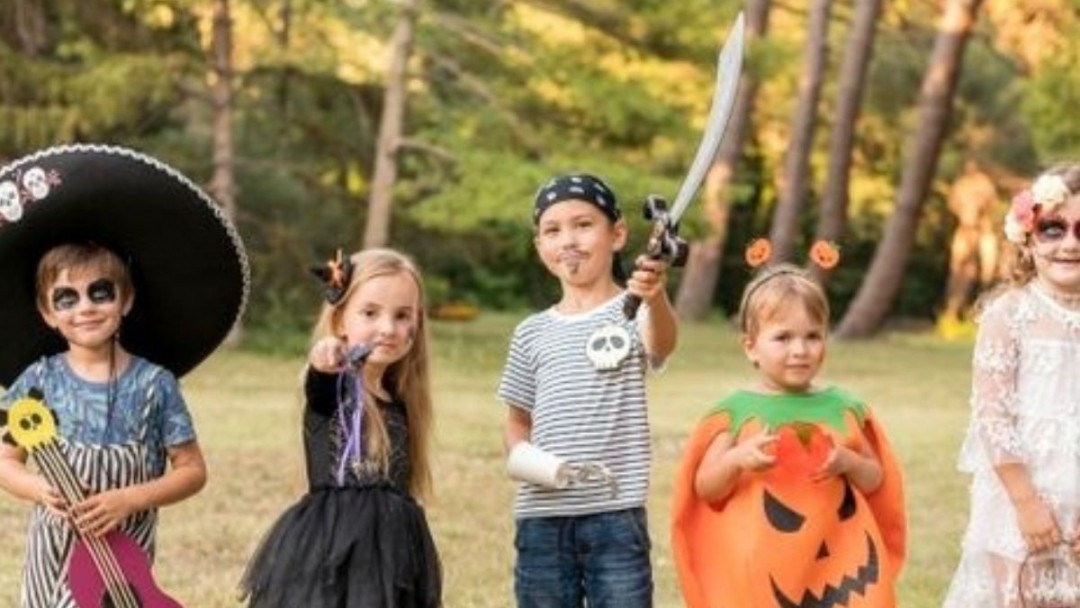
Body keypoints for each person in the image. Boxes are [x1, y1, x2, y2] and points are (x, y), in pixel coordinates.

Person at [0, 145, 249, 607]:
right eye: (66, 298)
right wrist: (39, 488)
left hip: (122, 558)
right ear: (47, 313)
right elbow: (6, 461)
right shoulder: (40, 380)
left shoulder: (155, 384)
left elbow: (192, 471)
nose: (86, 308)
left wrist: (129, 499)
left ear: (126, 300)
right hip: (52, 551)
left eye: (100, 292)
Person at [670, 261, 905, 608]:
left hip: (839, 554)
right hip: (765, 565)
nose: (800, 350)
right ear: (751, 346)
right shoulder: (737, 414)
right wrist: (737, 460)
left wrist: (848, 461)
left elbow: (874, 479)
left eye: (813, 336)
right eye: (783, 337)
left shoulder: (842, 410)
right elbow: (706, 487)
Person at [497, 172, 678, 607]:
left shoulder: (633, 310)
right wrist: (523, 457)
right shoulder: (531, 332)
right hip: (542, 517)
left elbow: (662, 344)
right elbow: (518, 419)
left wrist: (654, 298)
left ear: (616, 235)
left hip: (614, 516)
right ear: (540, 246)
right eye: (553, 230)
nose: (568, 240)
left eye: (583, 225)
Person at [240, 247, 441, 608]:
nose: (387, 328)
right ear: (339, 321)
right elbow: (319, 386)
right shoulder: (334, 388)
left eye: (402, 315)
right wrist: (325, 360)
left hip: (393, 552)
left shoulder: (400, 402)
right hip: (332, 550)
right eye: (370, 312)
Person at [943, 164, 1080, 607]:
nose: (1070, 243)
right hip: (1019, 499)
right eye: (1053, 229)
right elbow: (993, 417)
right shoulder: (1010, 315)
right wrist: (1025, 503)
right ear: (1027, 234)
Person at [943, 159, 1004, 322]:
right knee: (959, 272)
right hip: (965, 230)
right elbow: (954, 204)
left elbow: (991, 203)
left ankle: (978, 311)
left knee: (988, 273)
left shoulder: (984, 184)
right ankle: (953, 311)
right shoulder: (961, 184)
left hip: (983, 230)